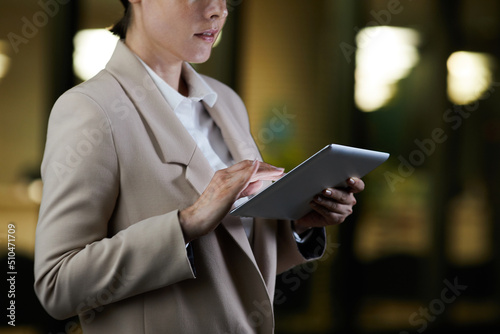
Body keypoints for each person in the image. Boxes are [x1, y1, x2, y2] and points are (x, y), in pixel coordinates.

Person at [34, 0, 365, 333]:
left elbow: (232, 261)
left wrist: (298, 225)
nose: (217, 10)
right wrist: (187, 224)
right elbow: (58, 286)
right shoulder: (92, 109)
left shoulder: (226, 102)